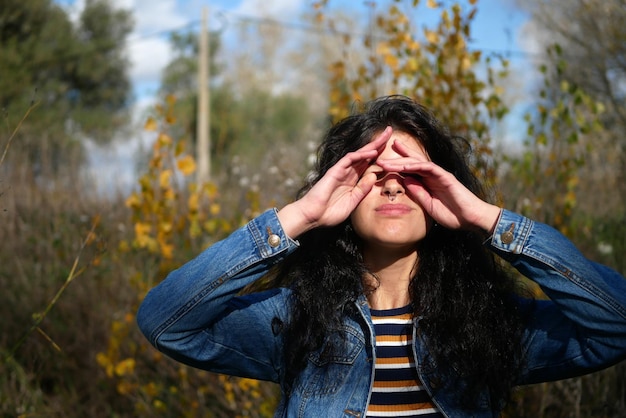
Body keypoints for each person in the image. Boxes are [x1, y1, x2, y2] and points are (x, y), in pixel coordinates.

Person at [137, 95, 626, 417]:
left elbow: (616, 325)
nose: (392, 182)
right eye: (371, 170)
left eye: (413, 171)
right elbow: (166, 320)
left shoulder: (490, 323)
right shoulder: (294, 321)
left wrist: (488, 220)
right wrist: (299, 217)